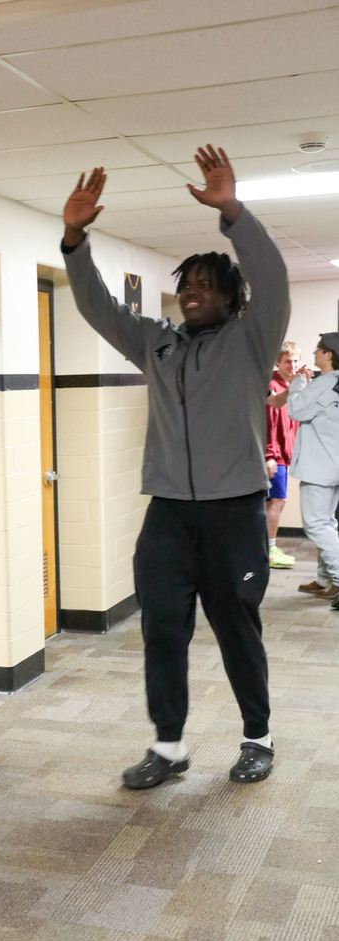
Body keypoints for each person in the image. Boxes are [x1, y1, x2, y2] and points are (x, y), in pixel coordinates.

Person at [61, 145, 289, 788]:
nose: (192, 293)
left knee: (238, 630)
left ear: (231, 298)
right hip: (166, 515)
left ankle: (257, 737)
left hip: (233, 514)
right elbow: (99, 308)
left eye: (205, 286)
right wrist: (75, 241)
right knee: (163, 632)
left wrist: (233, 213)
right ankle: (168, 748)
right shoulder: (156, 344)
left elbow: (271, 276)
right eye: (186, 285)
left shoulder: (252, 339)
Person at [286, 332, 339, 603]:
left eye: (319, 349)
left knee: (317, 525)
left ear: (329, 354)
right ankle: (324, 580)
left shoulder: (324, 384)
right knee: (327, 522)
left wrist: (297, 382)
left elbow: (295, 409)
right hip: (332, 465)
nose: (314, 353)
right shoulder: (333, 383)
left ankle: (338, 578)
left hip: (320, 467)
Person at [265, 341, 301, 568]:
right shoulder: (273, 387)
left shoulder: (291, 388)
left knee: (278, 501)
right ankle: (269, 550)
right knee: (277, 501)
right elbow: (268, 426)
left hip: (284, 455)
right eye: (288, 361)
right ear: (278, 362)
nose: (292, 365)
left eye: (296, 361)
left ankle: (268, 547)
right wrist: (269, 455)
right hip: (274, 456)